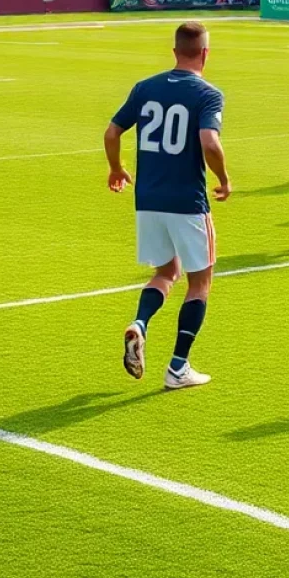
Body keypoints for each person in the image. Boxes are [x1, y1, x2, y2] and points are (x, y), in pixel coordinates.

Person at [104, 21, 230, 390]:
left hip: (148, 199)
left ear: (174, 51)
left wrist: (116, 168)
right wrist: (223, 178)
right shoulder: (208, 94)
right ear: (205, 53)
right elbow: (209, 142)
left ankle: (140, 324)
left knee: (165, 273)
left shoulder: (146, 87)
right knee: (200, 283)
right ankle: (178, 367)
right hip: (187, 200)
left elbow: (112, 132)